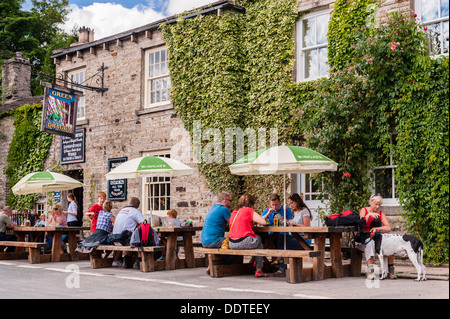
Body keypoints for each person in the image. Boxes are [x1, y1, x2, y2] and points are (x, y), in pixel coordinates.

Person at [229, 194, 271, 278]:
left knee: (258, 244)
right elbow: (263, 222)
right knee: (259, 238)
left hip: (232, 243)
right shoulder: (248, 210)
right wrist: (268, 214)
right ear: (250, 203)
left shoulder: (234, 212)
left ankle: (258, 265)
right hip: (243, 242)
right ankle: (258, 268)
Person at [273, 193, 313, 277]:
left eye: (292, 203)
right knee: (280, 237)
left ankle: (280, 262)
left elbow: (306, 226)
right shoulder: (294, 212)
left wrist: (293, 223)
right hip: (296, 237)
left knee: (284, 243)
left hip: (304, 239)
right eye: (290, 203)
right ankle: (280, 260)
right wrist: (285, 221)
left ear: (297, 202)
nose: (290, 205)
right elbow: (292, 223)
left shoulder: (304, 211)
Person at [358, 194, 396, 279]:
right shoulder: (364, 210)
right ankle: (370, 271)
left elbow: (388, 228)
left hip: (376, 236)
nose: (378, 206)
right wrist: (368, 216)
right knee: (370, 243)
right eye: (376, 204)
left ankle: (391, 270)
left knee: (389, 242)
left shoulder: (380, 213)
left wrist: (377, 228)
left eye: (379, 205)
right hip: (364, 237)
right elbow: (361, 224)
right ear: (370, 202)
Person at [201, 191, 233, 274]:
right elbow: (233, 224)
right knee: (236, 244)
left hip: (205, 240)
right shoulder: (224, 209)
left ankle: (212, 265)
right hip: (214, 240)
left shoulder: (214, 207)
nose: (231, 203)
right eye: (230, 201)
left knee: (228, 244)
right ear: (225, 200)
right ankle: (218, 266)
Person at [111, 197, 145, 268]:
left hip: (114, 238)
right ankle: (137, 260)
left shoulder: (121, 210)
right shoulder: (135, 211)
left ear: (129, 203)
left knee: (131, 237)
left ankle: (126, 260)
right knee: (141, 237)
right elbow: (143, 224)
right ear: (137, 206)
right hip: (124, 239)